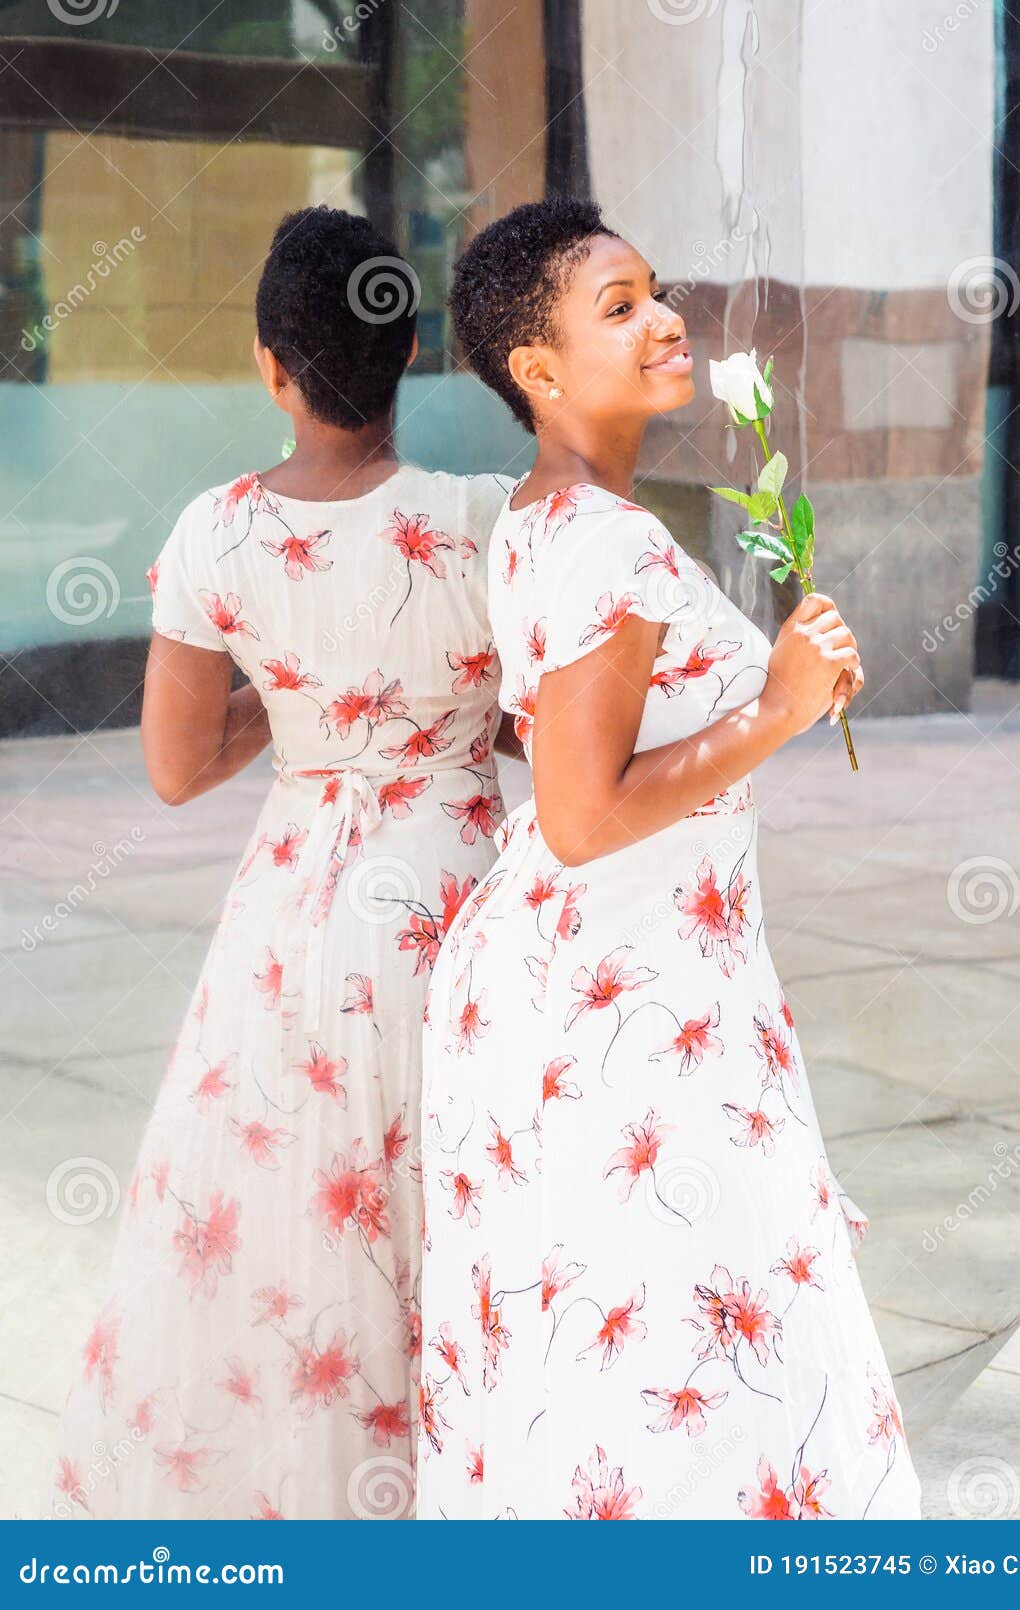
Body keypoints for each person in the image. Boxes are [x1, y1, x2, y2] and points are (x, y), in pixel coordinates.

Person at [416, 197, 921, 1521]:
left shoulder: (548, 514)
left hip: (601, 978)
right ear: (537, 369)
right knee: (686, 1346)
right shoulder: (608, 539)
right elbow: (584, 815)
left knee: (622, 1353)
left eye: (656, 291)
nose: (665, 319)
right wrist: (776, 709)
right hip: (627, 1010)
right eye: (620, 305)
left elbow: (566, 763)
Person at [50, 205, 511, 1520]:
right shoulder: (482, 519)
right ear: (408, 348)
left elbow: (177, 762)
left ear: (270, 363)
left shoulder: (217, 536)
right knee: (461, 1208)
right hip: (463, 901)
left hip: (295, 919)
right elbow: (540, 722)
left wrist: (303, 702)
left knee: (306, 1224)